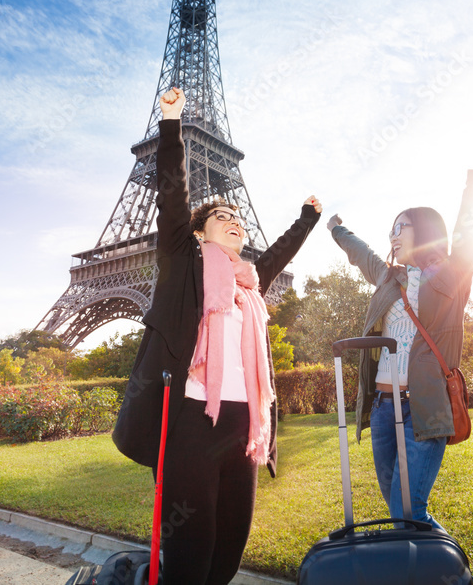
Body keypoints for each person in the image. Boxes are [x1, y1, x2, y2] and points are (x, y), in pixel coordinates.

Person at [113, 87, 322, 585]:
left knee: (230, 543)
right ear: (200, 232)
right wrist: (170, 123)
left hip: (245, 426)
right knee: (190, 549)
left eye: (238, 220)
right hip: (190, 423)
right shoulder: (184, 265)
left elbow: (279, 255)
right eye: (221, 218)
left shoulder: (249, 281)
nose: (234, 223)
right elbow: (172, 195)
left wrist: (307, 219)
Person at [326, 137, 473, 532]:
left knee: (406, 511)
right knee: (404, 509)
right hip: (382, 408)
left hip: (423, 407)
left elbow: (469, 225)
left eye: (403, 226)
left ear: (424, 231)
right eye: (391, 228)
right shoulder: (387, 277)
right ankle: (441, 568)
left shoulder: (450, 274)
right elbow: (361, 252)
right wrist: (337, 231)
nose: (394, 233)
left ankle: (449, 572)